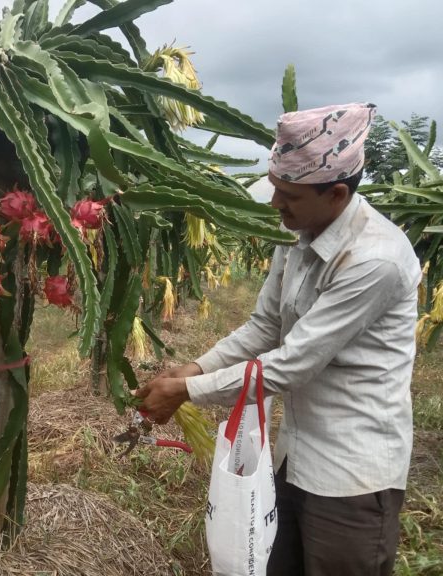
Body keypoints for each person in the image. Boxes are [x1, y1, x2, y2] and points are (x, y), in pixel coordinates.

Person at [135, 102, 420, 576]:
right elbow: (265, 327)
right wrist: (197, 368)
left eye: (288, 194)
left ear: (336, 194)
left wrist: (186, 392)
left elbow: (292, 364)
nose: (274, 204)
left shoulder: (375, 260)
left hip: (352, 474)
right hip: (294, 455)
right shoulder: (299, 236)